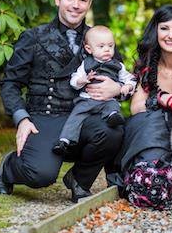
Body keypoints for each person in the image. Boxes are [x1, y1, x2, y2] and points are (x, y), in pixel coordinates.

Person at [0, 0, 126, 203]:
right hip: (46, 117)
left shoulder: (99, 38)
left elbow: (123, 76)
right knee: (40, 174)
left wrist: (117, 89)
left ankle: (79, 180)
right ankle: (8, 167)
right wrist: (22, 118)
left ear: (89, 3)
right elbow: (11, 83)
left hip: (84, 117)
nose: (75, 5)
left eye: (82, 0)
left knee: (113, 131)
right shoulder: (33, 37)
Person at [115, 2, 172, 210]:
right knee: (149, 118)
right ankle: (150, 172)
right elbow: (137, 107)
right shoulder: (147, 65)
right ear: (156, 30)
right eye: (164, 28)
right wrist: (162, 99)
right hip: (155, 137)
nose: (170, 35)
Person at [52, 25, 137, 156]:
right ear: (89, 49)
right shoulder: (85, 64)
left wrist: (127, 86)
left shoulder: (118, 65)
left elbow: (130, 79)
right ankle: (65, 140)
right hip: (87, 99)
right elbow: (74, 80)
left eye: (110, 46)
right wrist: (83, 80)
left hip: (107, 100)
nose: (107, 50)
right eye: (101, 46)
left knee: (113, 105)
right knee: (76, 115)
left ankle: (112, 116)